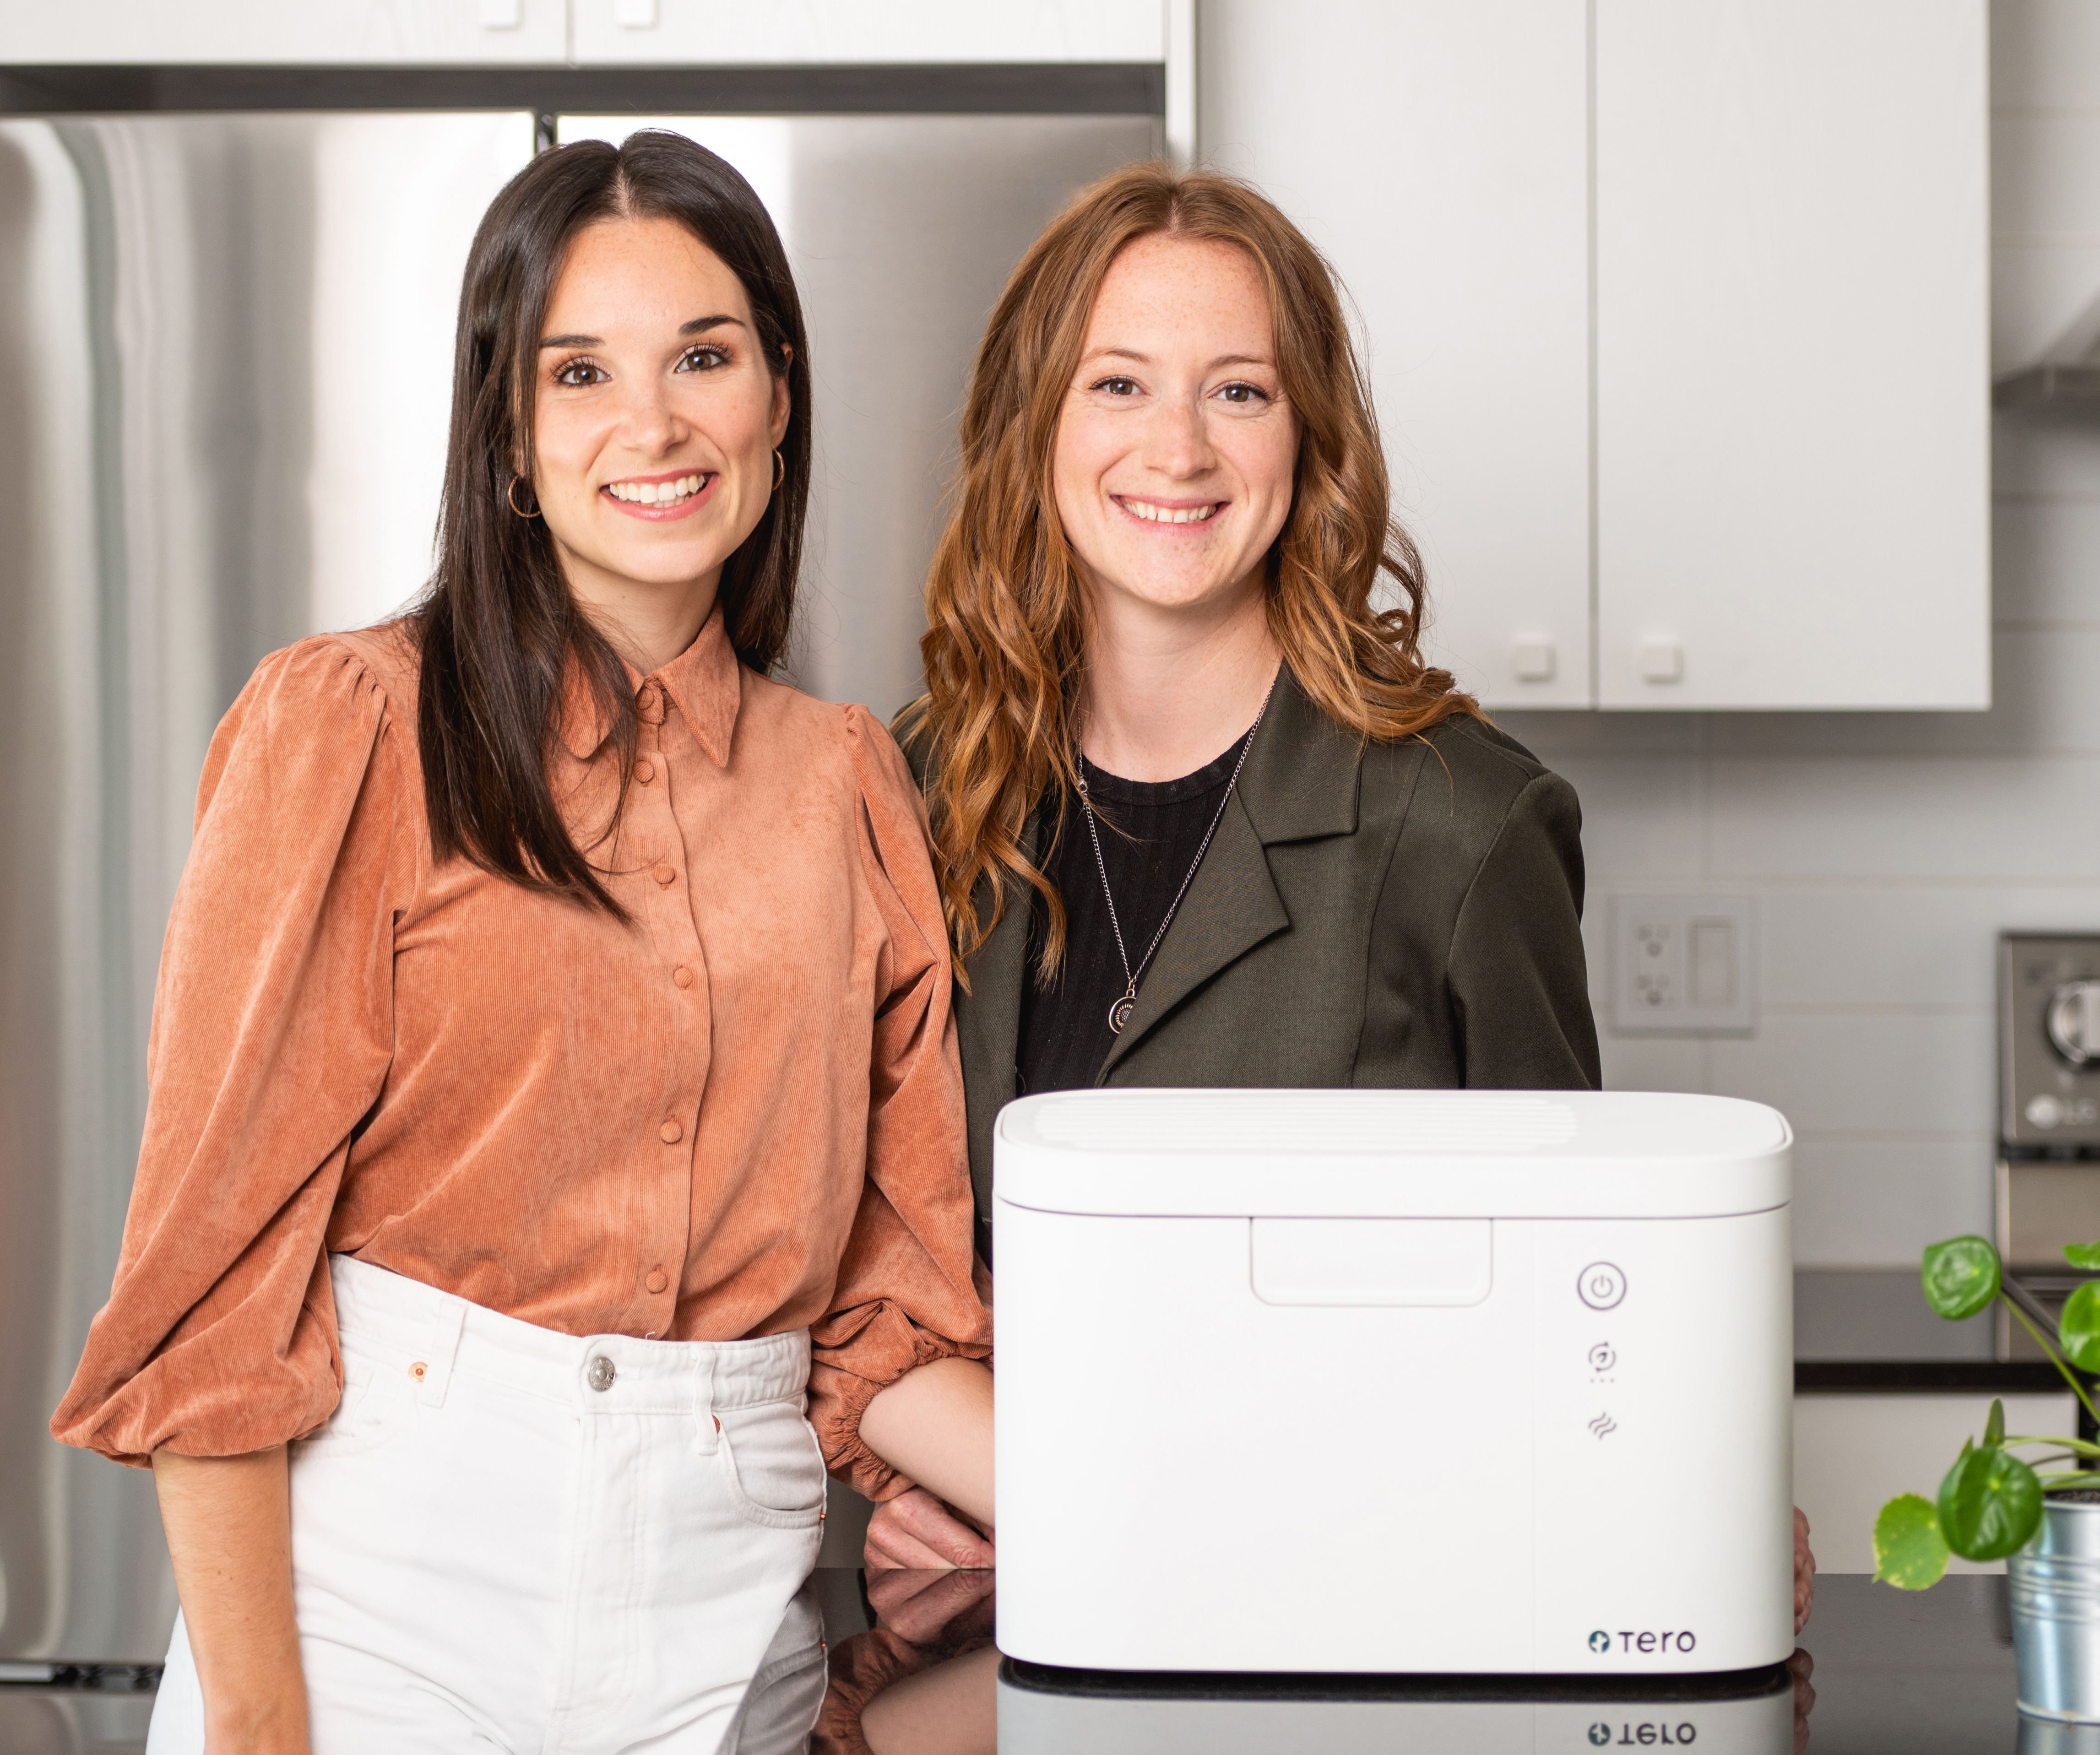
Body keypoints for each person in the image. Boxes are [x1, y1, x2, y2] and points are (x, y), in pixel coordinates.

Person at [50, 131, 992, 1755]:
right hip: (374, 1600)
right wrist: (258, 1720)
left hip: (731, 1623)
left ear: (778, 395)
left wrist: (1162, 1531)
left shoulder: (846, 785)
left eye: (704, 356)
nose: (654, 423)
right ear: (507, 433)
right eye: (579, 372)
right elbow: (220, 1273)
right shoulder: (351, 726)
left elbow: (876, 1306)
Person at [875, 161, 1815, 1635]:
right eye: (1117, 384)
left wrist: (1682, 1487)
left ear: (1308, 435)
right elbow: (872, 1261)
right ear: (1033, 425)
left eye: (1238, 391)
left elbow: (1588, 1298)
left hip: (1374, 1610)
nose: (1177, 447)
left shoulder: (1462, 820)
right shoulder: (915, 795)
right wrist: (926, 1478)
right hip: (1026, 1630)